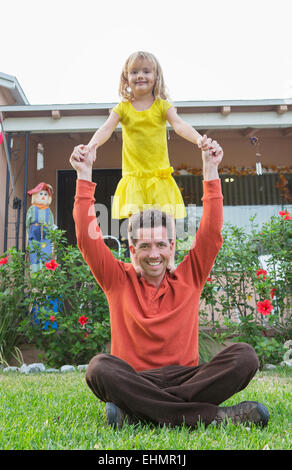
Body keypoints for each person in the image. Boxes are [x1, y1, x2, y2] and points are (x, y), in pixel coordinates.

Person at [70, 142, 270, 429]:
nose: (154, 254)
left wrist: (211, 170)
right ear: (131, 249)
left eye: (161, 244)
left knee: (244, 357)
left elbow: (211, 234)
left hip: (187, 378)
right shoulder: (116, 278)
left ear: (173, 246)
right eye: (146, 246)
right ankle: (215, 417)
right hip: (135, 378)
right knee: (99, 368)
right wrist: (84, 173)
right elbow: (86, 238)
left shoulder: (190, 275)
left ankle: (138, 413)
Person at [71, 51, 222, 268]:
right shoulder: (123, 108)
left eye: (146, 71)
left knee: (167, 226)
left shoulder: (162, 106)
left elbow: (179, 125)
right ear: (126, 79)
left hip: (160, 178)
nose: (140, 75)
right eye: (134, 72)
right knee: (135, 229)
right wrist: (92, 145)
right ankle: (139, 269)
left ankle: (169, 267)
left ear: (156, 76)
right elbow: (106, 128)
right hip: (134, 180)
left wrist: (199, 139)